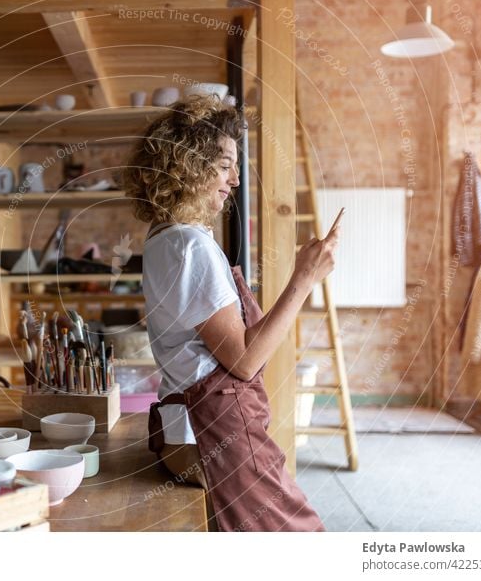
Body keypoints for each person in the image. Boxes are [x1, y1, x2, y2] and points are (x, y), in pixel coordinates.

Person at [122, 95, 338, 532]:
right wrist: (304, 278)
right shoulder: (190, 246)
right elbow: (243, 359)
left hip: (194, 431)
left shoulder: (163, 237)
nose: (235, 179)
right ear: (189, 165)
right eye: (224, 165)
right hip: (218, 433)